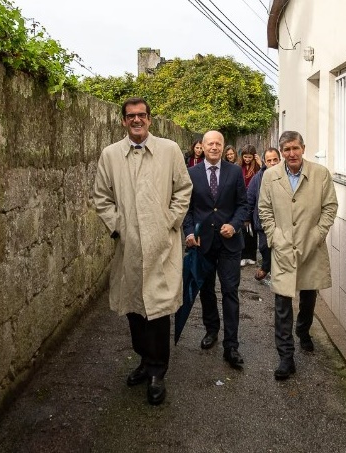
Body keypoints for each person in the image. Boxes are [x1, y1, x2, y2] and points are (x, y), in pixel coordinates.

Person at [93, 97, 193, 405]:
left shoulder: (170, 150)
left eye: (142, 115)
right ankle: (143, 359)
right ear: (123, 121)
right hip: (130, 247)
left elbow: (183, 189)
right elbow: (102, 197)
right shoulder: (110, 155)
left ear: (150, 119)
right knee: (135, 309)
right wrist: (119, 227)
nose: (137, 120)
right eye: (131, 116)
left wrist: (169, 221)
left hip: (162, 246)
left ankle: (156, 373)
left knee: (159, 311)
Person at [258, 131, 338, 380]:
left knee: (308, 296)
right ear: (281, 152)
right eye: (286, 150)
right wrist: (274, 237)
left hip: (310, 246)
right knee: (282, 303)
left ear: (303, 148)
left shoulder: (320, 174)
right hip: (282, 248)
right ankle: (286, 357)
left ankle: (303, 330)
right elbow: (264, 209)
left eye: (295, 148)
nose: (291, 154)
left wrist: (317, 235)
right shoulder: (271, 176)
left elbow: (330, 207)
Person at [183, 130, 248, 369]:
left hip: (229, 244)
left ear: (223, 146)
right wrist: (189, 233)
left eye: (218, 143)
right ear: (202, 145)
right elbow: (186, 209)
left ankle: (231, 345)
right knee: (207, 290)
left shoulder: (234, 171)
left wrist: (234, 224)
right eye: (209, 143)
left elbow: (243, 204)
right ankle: (212, 330)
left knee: (230, 291)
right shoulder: (191, 173)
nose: (214, 147)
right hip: (203, 244)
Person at [246, 147, 281, 282]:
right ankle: (266, 267)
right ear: (264, 162)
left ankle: (273, 273)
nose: (272, 163)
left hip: (282, 223)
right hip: (262, 223)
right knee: (264, 248)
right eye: (269, 160)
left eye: (275, 160)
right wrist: (247, 218)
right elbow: (250, 199)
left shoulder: (287, 177)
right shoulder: (257, 178)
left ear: (280, 160)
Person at [238, 144, 261, 267]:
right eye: (245, 157)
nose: (247, 159)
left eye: (249, 157)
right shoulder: (238, 167)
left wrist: (259, 162)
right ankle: (242, 255)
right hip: (242, 201)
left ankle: (251, 255)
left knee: (253, 230)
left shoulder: (257, 168)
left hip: (254, 201)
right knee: (242, 230)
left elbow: (265, 174)